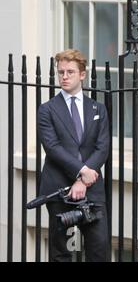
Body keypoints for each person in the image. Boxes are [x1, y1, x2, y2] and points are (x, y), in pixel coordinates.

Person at [38, 49, 110, 262]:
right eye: (61, 72)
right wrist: (82, 171)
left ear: (82, 74)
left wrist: (83, 180)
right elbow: (52, 147)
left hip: (92, 188)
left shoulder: (98, 108)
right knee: (61, 254)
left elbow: (102, 147)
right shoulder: (47, 109)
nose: (64, 76)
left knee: (99, 250)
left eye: (70, 71)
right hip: (59, 188)